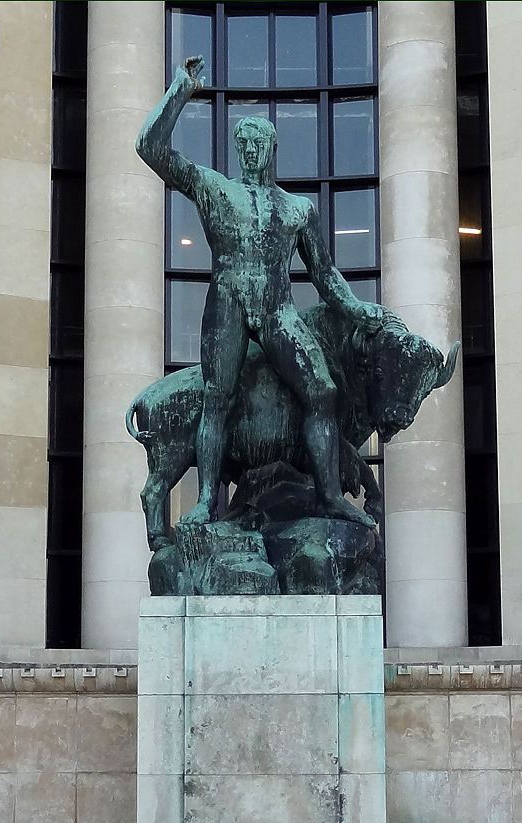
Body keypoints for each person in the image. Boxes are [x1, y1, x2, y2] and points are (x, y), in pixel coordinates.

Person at [136, 55, 385, 528]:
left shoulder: (297, 209)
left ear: (272, 149)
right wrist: (180, 91)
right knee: (217, 397)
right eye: (243, 143)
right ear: (237, 150)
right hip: (227, 303)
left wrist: (355, 308)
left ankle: (331, 495)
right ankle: (209, 499)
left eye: (259, 143)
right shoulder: (214, 188)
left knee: (323, 390)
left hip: (277, 310)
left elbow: (325, 275)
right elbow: (150, 148)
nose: (251, 150)